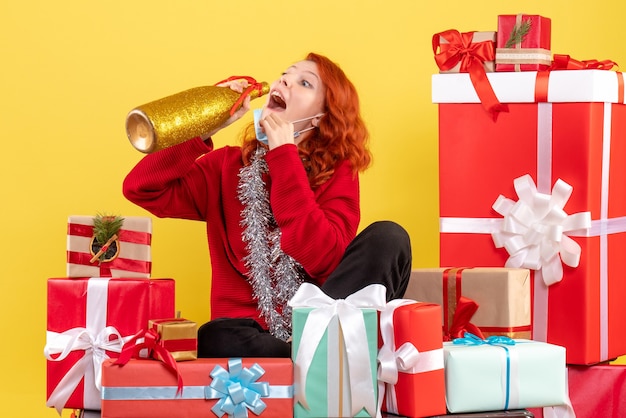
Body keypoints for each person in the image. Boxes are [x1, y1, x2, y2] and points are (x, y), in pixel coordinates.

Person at [123, 52, 412, 358]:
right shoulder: (227, 166)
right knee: (214, 335)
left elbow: (324, 258)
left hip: (323, 323)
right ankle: (299, 360)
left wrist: (284, 155)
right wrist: (206, 125)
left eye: (304, 82)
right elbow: (141, 188)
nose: (285, 80)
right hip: (250, 336)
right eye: (285, 74)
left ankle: (309, 346)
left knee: (389, 238)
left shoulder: (339, 172)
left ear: (320, 118)